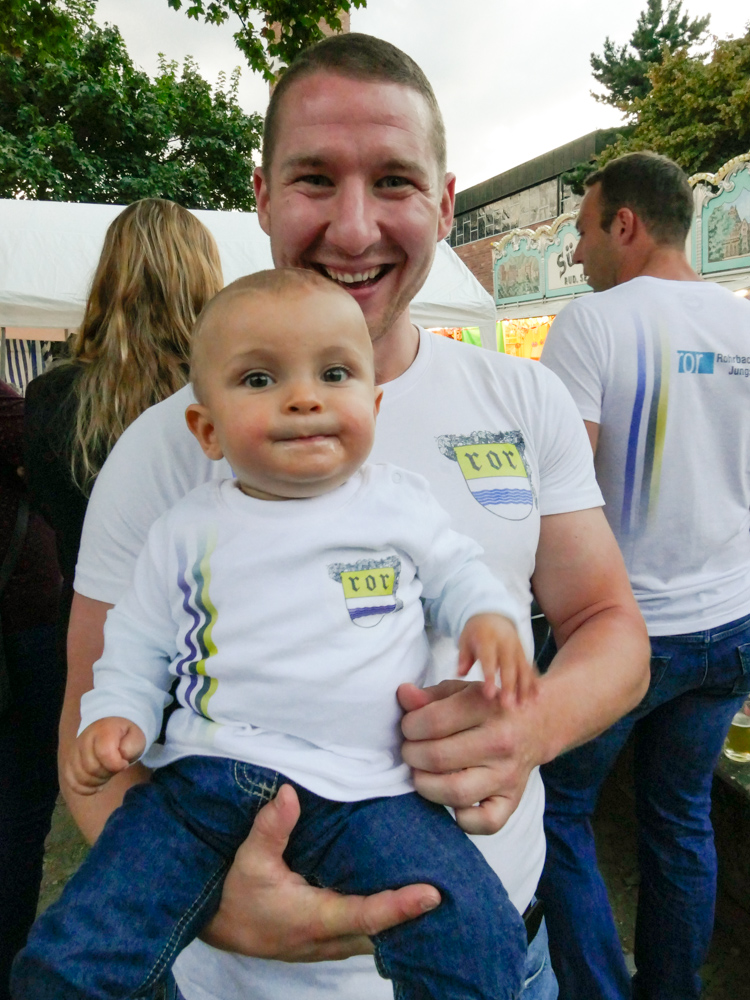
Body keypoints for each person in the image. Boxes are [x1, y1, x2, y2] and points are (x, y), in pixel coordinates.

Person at [60, 33, 651, 1000]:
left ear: (446, 203)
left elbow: (609, 626)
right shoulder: (169, 446)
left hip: (502, 945)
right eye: (313, 179)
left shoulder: (524, 399)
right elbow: (88, 727)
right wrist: (214, 904)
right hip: (240, 981)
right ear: (260, 194)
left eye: (393, 182)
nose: (353, 227)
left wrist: (531, 726)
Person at [15, 268, 540, 1000]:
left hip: (369, 789)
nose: (303, 397)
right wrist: (119, 716)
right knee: (71, 957)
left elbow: (459, 573)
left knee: (476, 935)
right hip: (205, 780)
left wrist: (488, 618)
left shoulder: (398, 506)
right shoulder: (186, 530)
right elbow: (136, 642)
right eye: (260, 379)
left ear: (374, 405)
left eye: (334, 373)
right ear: (207, 427)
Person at [539, 151, 750, 1000]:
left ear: (625, 223)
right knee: (680, 818)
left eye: (585, 234)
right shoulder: (743, 324)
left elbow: (557, 491)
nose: (580, 257)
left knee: (551, 811)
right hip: (732, 623)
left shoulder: (591, 326)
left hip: (626, 631)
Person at [23, 198, 223, 631]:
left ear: (108, 276)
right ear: (205, 276)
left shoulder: (50, 396)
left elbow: (49, 508)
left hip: (93, 627)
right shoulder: (227, 395)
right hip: (205, 634)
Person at [0, 380, 62, 1000]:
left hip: (24, 626)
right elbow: (51, 471)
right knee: (20, 807)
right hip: (22, 629)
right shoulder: (20, 407)